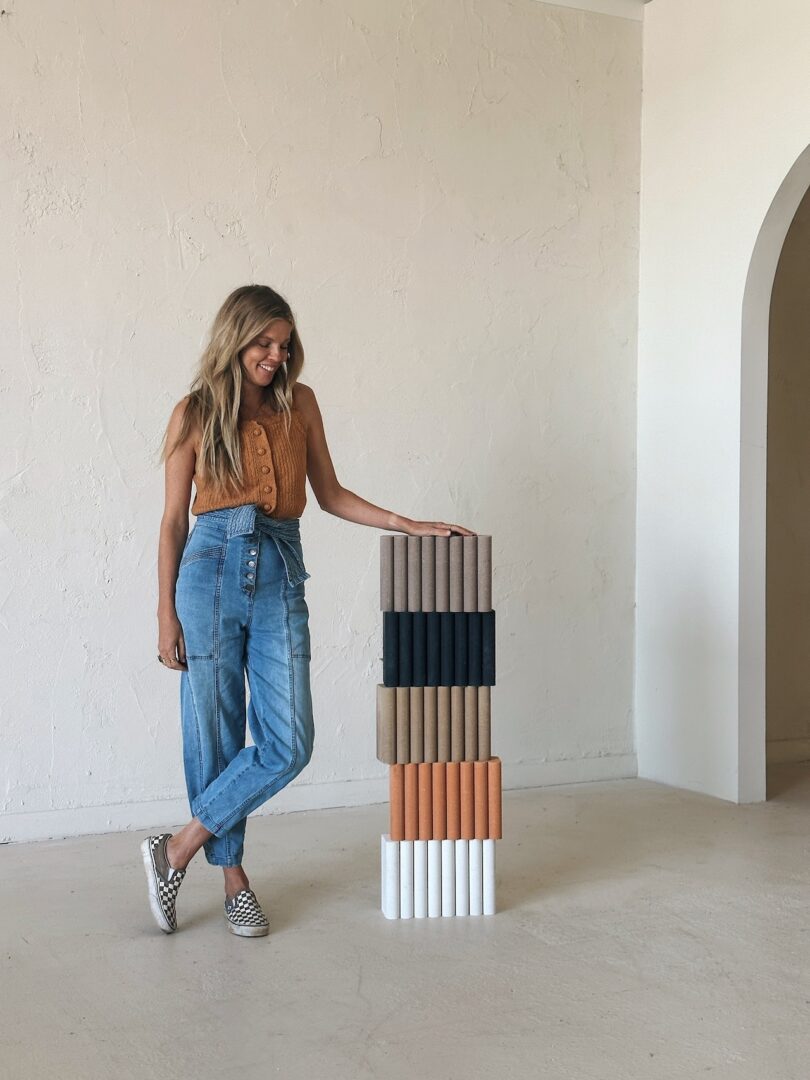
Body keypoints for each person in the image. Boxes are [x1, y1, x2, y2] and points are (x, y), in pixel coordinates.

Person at [141, 284, 474, 937]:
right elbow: (172, 522)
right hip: (207, 571)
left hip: (281, 571)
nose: (275, 355)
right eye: (263, 343)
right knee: (215, 732)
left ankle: (174, 850)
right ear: (234, 339)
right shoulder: (194, 413)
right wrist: (163, 615)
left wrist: (407, 523)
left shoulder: (301, 404)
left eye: (284, 344)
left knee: (289, 742)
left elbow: (330, 493)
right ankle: (234, 878)